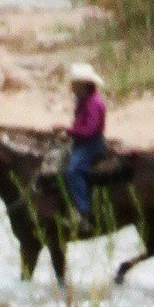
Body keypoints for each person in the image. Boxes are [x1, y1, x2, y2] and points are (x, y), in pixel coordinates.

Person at [62, 60, 109, 230]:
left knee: (72, 170)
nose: (72, 87)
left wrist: (69, 131)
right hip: (82, 143)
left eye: (74, 83)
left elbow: (89, 130)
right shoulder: (84, 100)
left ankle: (84, 212)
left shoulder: (94, 103)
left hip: (91, 145)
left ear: (83, 84)